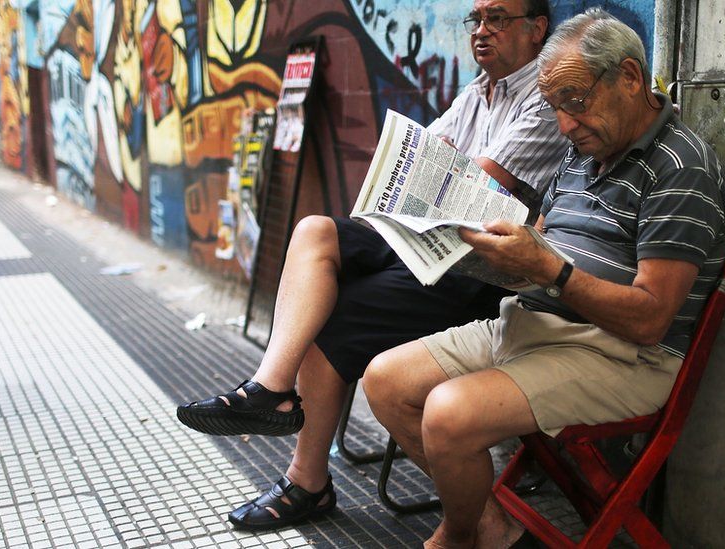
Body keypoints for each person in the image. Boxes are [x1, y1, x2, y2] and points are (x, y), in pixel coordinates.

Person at [175, 0, 568, 531]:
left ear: (536, 28)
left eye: (497, 19)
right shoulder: (477, 92)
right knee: (314, 231)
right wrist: (437, 168)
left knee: (331, 313)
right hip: (429, 242)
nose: (481, 32)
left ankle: (306, 481)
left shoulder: (543, 100)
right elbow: (428, 167)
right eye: (474, 20)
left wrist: (441, 168)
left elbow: (461, 186)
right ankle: (271, 388)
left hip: (478, 273)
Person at [362, 9, 725, 549]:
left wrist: (550, 270)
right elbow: (542, 240)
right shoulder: (582, 153)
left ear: (630, 78)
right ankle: (492, 530)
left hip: (619, 355)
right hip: (533, 323)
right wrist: (495, 253)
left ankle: (461, 537)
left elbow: (651, 318)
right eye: (555, 108)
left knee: (447, 414)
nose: (565, 125)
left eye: (576, 102)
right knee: (386, 380)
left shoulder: (682, 167)